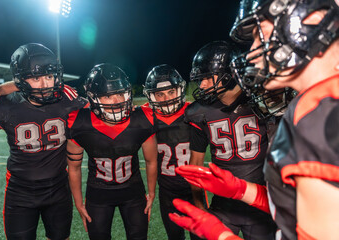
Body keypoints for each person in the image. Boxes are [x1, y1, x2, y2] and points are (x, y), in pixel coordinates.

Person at [170, 0, 339, 239]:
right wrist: (242, 191)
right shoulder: (312, 106)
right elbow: (295, 212)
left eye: (263, 34)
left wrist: (223, 237)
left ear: (309, 22)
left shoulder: (322, 118)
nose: (251, 53)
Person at [0, 43, 86, 240]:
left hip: (58, 188)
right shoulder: (7, 105)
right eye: (36, 78)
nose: (45, 84)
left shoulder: (66, 98)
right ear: (20, 79)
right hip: (20, 193)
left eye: (49, 76)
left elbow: (99, 116)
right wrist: (0, 90)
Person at [184, 40, 276, 239]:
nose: (202, 85)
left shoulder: (263, 102)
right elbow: (196, 165)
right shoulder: (199, 112)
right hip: (222, 205)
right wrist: (200, 208)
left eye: (207, 77)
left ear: (228, 74)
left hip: (260, 204)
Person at [66, 63, 157, 240]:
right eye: (108, 96)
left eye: (121, 93)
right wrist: (78, 202)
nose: (117, 101)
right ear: (93, 98)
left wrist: (152, 192)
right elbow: (74, 168)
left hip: (133, 192)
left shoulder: (141, 119)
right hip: (98, 194)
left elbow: (151, 160)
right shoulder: (80, 123)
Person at [143, 64, 201, 240]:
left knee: (200, 236)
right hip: (167, 191)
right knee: (174, 236)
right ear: (151, 95)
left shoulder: (195, 112)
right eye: (159, 94)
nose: (166, 98)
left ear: (179, 90)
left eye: (170, 92)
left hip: (195, 190)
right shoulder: (146, 115)